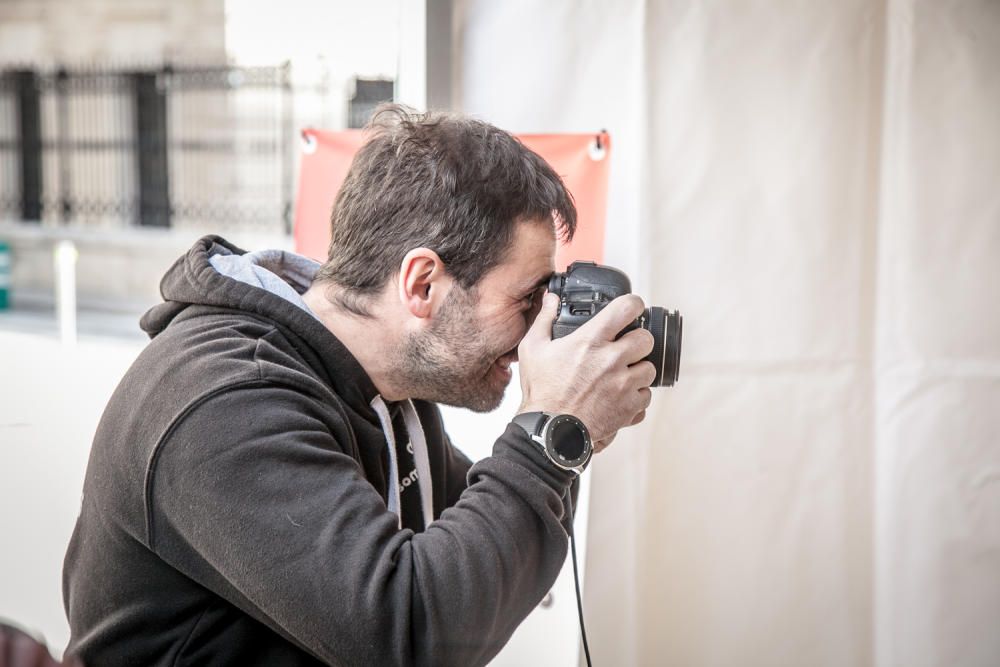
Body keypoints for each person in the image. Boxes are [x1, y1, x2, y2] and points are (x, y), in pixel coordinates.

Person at [62, 105, 654, 666]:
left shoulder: (389, 386)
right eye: (528, 298)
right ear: (422, 283)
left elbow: (470, 563)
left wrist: (566, 428)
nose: (536, 334)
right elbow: (412, 634)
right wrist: (554, 430)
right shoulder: (224, 402)